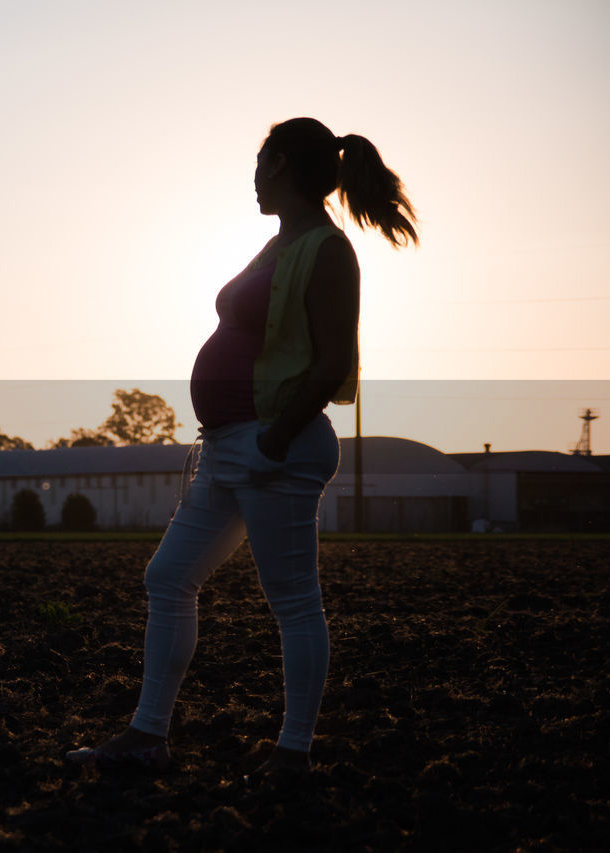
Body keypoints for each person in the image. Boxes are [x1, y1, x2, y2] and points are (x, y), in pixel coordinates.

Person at [66, 117, 418, 780]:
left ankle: (293, 750)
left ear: (279, 164)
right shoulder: (274, 245)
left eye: (259, 165)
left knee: (293, 600)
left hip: (272, 447)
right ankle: (147, 736)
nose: (253, 178)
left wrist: (275, 437)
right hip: (230, 448)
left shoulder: (327, 249)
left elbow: (334, 360)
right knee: (169, 577)